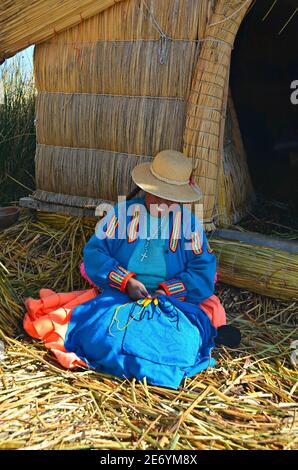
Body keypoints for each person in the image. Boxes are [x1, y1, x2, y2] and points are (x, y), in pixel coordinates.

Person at [24, 150, 240, 389]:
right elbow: (95, 254)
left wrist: (167, 291)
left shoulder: (190, 226)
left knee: (181, 344)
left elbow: (203, 273)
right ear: (147, 189)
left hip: (173, 303)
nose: (162, 204)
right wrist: (126, 281)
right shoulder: (121, 215)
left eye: (171, 199)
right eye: (157, 195)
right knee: (103, 334)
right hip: (120, 297)